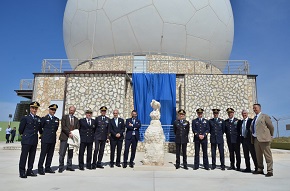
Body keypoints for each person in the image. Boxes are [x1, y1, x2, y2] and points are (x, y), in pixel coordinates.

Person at [18, 101, 41, 178]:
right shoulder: (25, 118)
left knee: (32, 156)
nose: (34, 110)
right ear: (30, 108)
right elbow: (21, 129)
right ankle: (22, 171)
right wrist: (25, 136)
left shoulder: (38, 119)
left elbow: (39, 129)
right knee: (24, 156)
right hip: (26, 140)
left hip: (34, 140)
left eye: (36, 108)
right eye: (33, 108)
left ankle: (29, 171)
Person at [251, 104, 274, 177]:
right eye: (253, 108)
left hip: (264, 139)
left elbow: (271, 127)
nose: (254, 109)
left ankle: (270, 170)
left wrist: (270, 135)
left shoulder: (265, 116)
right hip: (256, 139)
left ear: (260, 108)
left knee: (267, 155)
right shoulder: (254, 118)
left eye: (256, 108)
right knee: (258, 156)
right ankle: (260, 169)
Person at [38, 104, 60, 175]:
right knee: (43, 154)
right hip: (45, 139)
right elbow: (40, 127)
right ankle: (40, 168)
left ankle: (47, 167)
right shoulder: (44, 118)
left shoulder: (56, 119)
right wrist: (42, 134)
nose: (53, 111)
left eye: (54, 110)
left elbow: (55, 129)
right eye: (52, 109)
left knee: (50, 155)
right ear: (49, 110)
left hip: (52, 139)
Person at [59, 106, 80, 173]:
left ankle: (69, 166)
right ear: (69, 110)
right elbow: (63, 127)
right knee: (62, 153)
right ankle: (61, 167)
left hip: (72, 138)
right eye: (71, 110)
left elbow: (77, 128)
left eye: (73, 111)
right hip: (65, 137)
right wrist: (69, 133)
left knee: (70, 153)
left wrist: (73, 134)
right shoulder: (64, 117)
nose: (72, 112)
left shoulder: (76, 119)